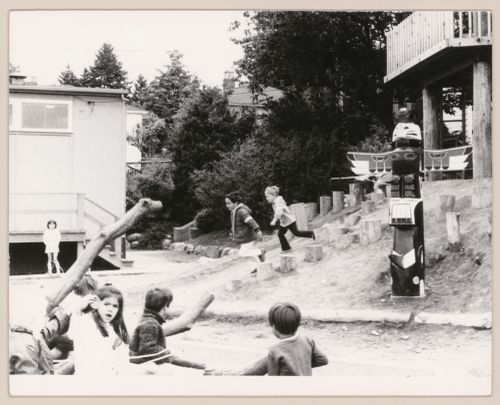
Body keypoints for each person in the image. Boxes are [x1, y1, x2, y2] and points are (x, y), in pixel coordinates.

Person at [129, 287, 206, 371]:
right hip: (143, 363)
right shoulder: (150, 323)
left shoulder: (147, 319)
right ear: (164, 307)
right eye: (168, 305)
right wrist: (167, 354)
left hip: (142, 360)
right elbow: (147, 349)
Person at [67, 284, 129, 376]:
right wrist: (79, 308)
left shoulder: (116, 331)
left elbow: (122, 366)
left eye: (115, 306)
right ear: (97, 305)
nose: (110, 309)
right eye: (106, 304)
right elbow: (72, 333)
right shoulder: (87, 323)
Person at [267, 302, 328, 376]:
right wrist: (302, 366)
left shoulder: (274, 351)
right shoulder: (307, 340)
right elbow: (323, 360)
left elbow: (272, 377)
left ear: (274, 326)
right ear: (297, 324)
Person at [264, 186, 315, 252]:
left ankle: (312, 233)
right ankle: (286, 248)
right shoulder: (274, 202)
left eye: (268, 196)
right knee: (280, 234)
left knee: (296, 233)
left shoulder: (278, 201)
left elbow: (280, 211)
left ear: (273, 195)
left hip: (289, 221)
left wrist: (274, 220)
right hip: (284, 222)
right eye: (266, 197)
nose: (266, 198)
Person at [225, 191, 265, 268]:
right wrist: (233, 232)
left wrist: (257, 230)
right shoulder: (234, 212)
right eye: (226, 203)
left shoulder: (241, 211)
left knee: (243, 253)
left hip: (248, 236)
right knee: (248, 253)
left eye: (229, 203)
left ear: (235, 202)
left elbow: (250, 220)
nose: (227, 206)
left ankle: (261, 252)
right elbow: (238, 225)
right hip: (244, 236)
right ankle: (258, 266)